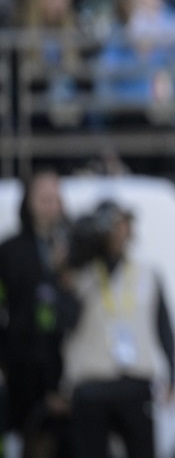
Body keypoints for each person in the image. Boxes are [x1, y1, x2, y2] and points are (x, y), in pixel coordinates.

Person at [58, 200, 175, 458]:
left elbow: (164, 326)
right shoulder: (81, 273)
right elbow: (64, 323)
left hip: (134, 381)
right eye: (109, 225)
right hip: (90, 383)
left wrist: (174, 376)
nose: (116, 232)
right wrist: (72, 266)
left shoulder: (148, 274)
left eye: (121, 224)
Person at [0, 169, 71, 458]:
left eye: (55, 198)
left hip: (65, 366)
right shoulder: (9, 251)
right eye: (44, 198)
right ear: (29, 202)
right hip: (21, 367)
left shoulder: (72, 250)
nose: (50, 205)